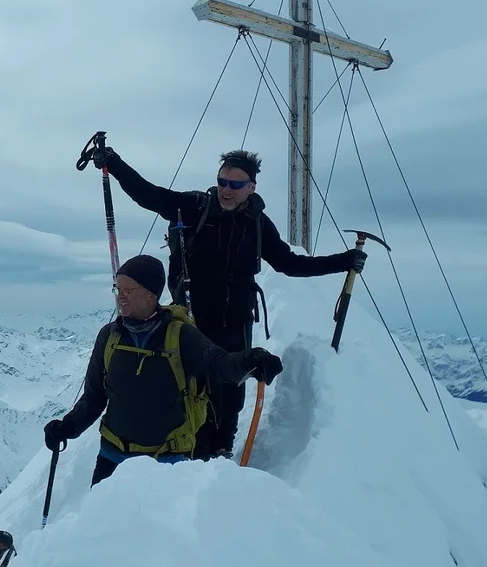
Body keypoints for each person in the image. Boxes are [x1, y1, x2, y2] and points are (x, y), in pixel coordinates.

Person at [91, 145, 366, 460]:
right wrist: (114, 164)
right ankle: (192, 454)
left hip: (235, 321)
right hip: (191, 323)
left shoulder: (257, 224)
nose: (226, 190)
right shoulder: (194, 208)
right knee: (193, 391)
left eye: (236, 184)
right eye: (222, 182)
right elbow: (149, 195)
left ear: (251, 187)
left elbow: (290, 264)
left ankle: (221, 455)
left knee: (231, 392)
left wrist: (344, 260)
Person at [42, 254, 284, 486]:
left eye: (128, 290)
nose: (120, 297)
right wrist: (68, 427)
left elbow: (218, 365)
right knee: (102, 528)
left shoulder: (180, 336)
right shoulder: (109, 337)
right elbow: (95, 396)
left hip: (169, 461)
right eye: (118, 290)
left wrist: (252, 360)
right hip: (113, 458)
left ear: (150, 295)